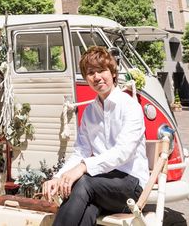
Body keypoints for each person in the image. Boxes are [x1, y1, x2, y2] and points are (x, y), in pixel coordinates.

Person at [42, 46, 149, 226]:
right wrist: (58, 177)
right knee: (87, 208)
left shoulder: (130, 106)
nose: (97, 77)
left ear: (113, 73)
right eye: (91, 73)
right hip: (100, 185)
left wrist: (83, 167)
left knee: (83, 183)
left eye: (102, 70)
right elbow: (81, 152)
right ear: (86, 79)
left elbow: (122, 152)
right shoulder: (89, 113)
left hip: (131, 185)